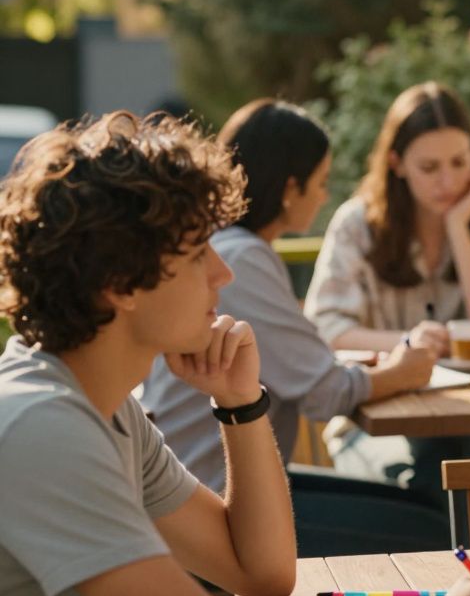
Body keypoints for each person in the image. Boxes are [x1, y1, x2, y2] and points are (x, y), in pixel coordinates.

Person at [0, 112, 470, 596]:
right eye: (198, 252)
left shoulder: (107, 413)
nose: (223, 273)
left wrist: (241, 405)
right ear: (119, 283)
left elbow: (262, 574)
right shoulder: (42, 427)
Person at [140, 99, 450, 555]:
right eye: (320, 182)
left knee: (428, 513)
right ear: (290, 187)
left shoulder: (230, 249)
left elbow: (308, 371)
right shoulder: (242, 259)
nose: (324, 196)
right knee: (437, 531)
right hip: (210, 504)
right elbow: (325, 392)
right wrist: (403, 371)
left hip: (210, 486)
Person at [304, 82, 470, 509]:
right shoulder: (357, 225)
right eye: (429, 167)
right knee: (427, 488)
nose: (448, 181)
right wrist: (409, 345)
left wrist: (458, 229)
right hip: (372, 423)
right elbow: (325, 329)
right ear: (397, 163)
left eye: (460, 162)